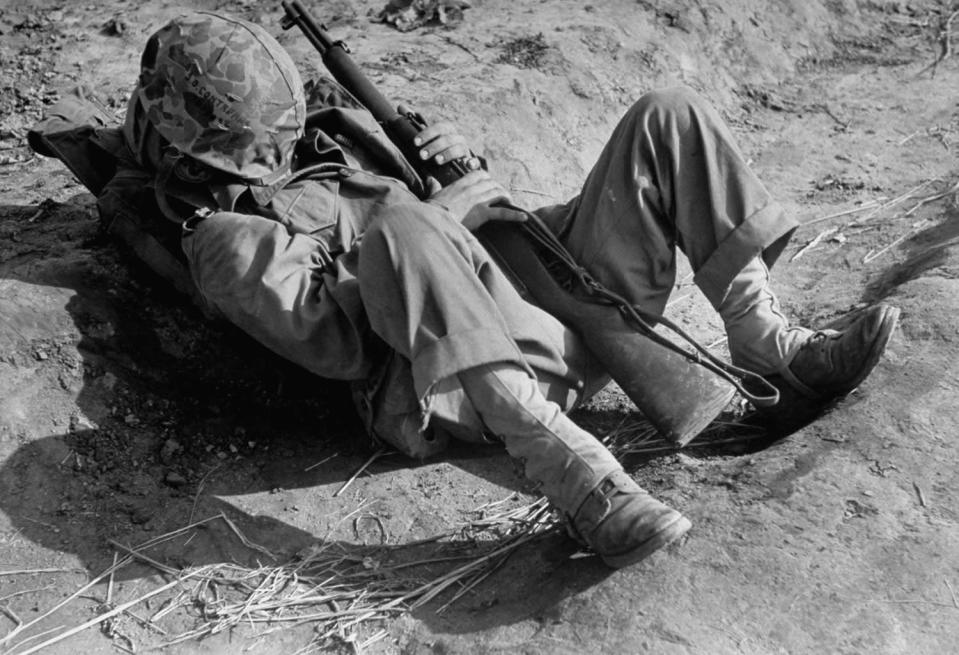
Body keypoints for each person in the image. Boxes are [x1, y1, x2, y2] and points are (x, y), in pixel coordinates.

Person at [29, 11, 899, 569]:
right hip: (452, 385)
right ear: (205, 146)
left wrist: (460, 169)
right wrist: (435, 211)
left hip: (528, 298)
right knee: (404, 231)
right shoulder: (221, 239)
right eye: (262, 145)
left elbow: (449, 228)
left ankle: (767, 346)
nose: (279, 153)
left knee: (666, 114)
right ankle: (576, 477)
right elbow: (346, 347)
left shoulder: (316, 140)